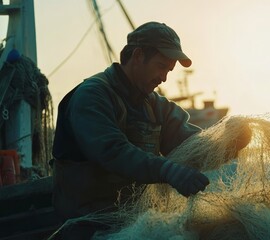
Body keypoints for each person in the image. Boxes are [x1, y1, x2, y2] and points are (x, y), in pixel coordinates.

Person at [51, 21, 250, 239]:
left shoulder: (156, 105)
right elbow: (112, 151)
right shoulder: (92, 96)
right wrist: (168, 171)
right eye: (161, 66)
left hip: (135, 224)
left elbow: (190, 144)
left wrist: (227, 145)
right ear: (137, 56)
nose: (164, 77)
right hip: (86, 226)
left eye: (169, 70)